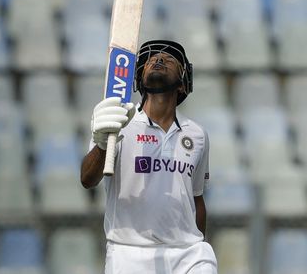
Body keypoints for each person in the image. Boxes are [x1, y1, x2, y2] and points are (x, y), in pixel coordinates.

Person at [80, 40, 218, 273]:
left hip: (188, 251)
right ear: (139, 79)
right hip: (128, 251)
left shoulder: (197, 135)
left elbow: (197, 199)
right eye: (151, 59)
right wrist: (103, 143)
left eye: (170, 59)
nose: (159, 59)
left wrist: (199, 241)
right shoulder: (117, 122)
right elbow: (87, 179)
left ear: (183, 84)